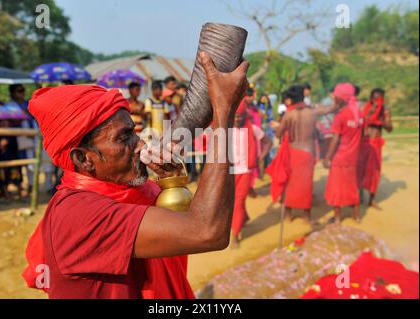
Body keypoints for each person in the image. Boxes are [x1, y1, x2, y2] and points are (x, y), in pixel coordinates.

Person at [22, 52, 250, 299]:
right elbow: (207, 232)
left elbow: (185, 225)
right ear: (83, 159)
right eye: (123, 138)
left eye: (133, 133)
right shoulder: (78, 213)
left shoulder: (133, 193)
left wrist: (172, 184)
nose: (140, 146)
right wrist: (223, 113)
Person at [269, 85, 338, 223]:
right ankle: (307, 217)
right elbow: (331, 108)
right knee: (306, 185)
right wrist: (337, 99)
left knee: (290, 184)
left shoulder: (289, 114)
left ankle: (288, 215)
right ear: (303, 97)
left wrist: (278, 127)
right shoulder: (312, 111)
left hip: (293, 152)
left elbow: (278, 134)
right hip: (308, 153)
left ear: (290, 99)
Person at [230, 99, 271, 248]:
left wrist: (261, 157)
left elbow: (268, 142)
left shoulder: (253, 128)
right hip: (229, 172)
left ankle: (235, 235)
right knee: (231, 202)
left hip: (245, 171)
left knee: (238, 202)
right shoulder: (225, 129)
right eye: (234, 116)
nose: (237, 119)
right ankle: (244, 218)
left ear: (245, 115)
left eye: (239, 116)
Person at [323, 83, 363, 223]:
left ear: (341, 98)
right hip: (353, 157)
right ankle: (356, 216)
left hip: (340, 158)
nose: (334, 98)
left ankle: (338, 217)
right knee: (352, 186)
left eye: (336, 96)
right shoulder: (358, 113)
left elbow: (335, 140)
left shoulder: (340, 116)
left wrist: (327, 158)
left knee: (336, 188)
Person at [358, 88, 392, 208]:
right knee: (361, 170)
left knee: (375, 172)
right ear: (371, 98)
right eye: (375, 98)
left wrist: (382, 121)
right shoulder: (364, 108)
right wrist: (370, 115)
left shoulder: (385, 111)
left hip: (376, 143)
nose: (377, 101)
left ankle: (372, 199)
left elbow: (390, 129)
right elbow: (359, 124)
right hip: (364, 142)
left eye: (380, 98)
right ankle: (359, 195)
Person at [9, 84, 35, 196]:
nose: (22, 93)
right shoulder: (10, 106)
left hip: (31, 138)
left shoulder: (28, 103)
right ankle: (19, 187)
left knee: (31, 162)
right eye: (19, 91)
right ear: (13, 93)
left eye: (23, 90)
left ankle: (31, 186)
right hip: (16, 138)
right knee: (18, 164)